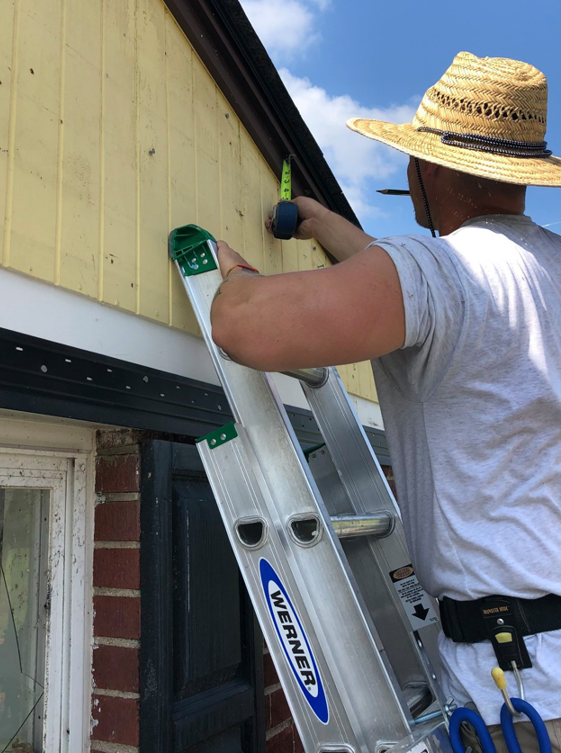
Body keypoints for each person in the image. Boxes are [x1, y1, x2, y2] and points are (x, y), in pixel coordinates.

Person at [211, 52, 561, 750]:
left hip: (521, 694)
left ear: (425, 170)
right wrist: (321, 225)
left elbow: (242, 325)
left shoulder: (443, 273)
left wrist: (228, 268)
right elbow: (420, 289)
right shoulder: (538, 266)